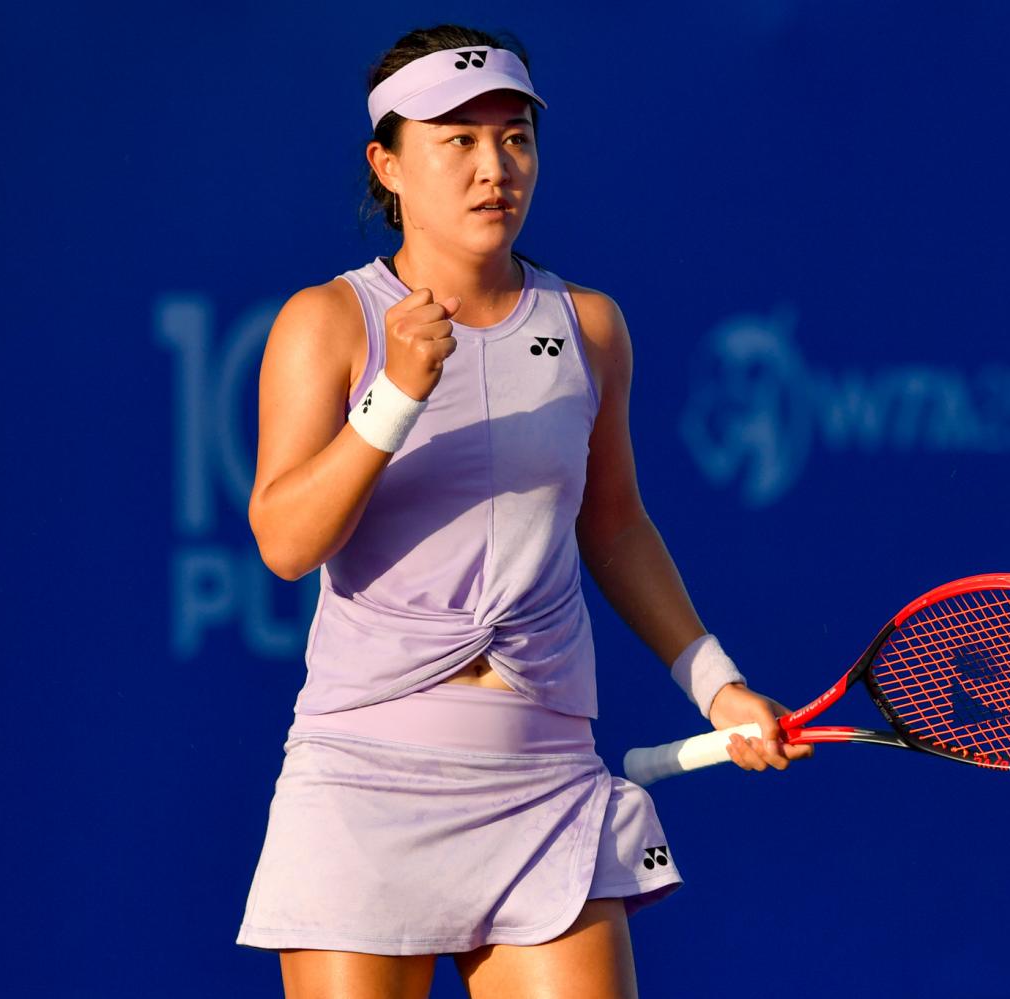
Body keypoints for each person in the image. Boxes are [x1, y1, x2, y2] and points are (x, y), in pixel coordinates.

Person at [235, 23, 812, 999]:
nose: (493, 166)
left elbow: (617, 526)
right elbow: (286, 542)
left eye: (515, 137)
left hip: (542, 780)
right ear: (388, 165)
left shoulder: (589, 325)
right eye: (456, 140)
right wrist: (394, 398)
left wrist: (718, 686)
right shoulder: (328, 323)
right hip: (363, 783)